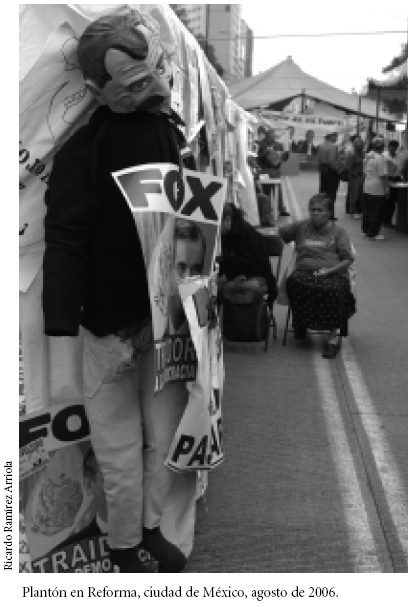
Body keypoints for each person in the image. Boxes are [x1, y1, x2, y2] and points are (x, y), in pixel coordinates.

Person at [42, 9, 195, 573]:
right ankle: (125, 543)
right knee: (120, 445)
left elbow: (189, 218)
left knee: (159, 437)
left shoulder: (167, 134)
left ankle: (146, 530)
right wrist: (62, 317)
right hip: (109, 325)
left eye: (147, 75)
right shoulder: (86, 150)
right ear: (95, 89)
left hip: (161, 320)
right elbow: (66, 236)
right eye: (129, 83)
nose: (145, 88)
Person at [278, 193, 355, 359]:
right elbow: (280, 234)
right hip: (305, 272)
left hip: (333, 273)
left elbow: (348, 259)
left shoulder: (338, 231)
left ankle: (333, 338)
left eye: (320, 210)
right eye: (312, 210)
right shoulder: (301, 226)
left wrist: (330, 271)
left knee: (334, 290)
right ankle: (301, 323)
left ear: (329, 212)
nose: (315, 213)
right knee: (294, 281)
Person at [218, 203, 277, 305]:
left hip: (257, 276)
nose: (217, 228)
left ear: (227, 220)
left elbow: (244, 261)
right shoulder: (227, 232)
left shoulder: (243, 231)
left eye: (218, 224)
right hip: (240, 275)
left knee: (226, 288)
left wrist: (225, 277)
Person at [168, 219, 206, 334]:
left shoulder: (205, 327)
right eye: (181, 268)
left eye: (196, 270)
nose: (188, 278)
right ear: (167, 269)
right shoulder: (150, 326)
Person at [256, 130, 290, 217]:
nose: (272, 137)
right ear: (266, 136)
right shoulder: (262, 145)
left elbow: (285, 158)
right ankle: (267, 210)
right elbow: (258, 158)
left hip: (275, 170)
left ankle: (281, 209)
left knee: (278, 191)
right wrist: (265, 153)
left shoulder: (279, 145)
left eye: (273, 136)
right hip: (265, 170)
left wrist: (284, 155)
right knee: (266, 191)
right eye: (270, 136)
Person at [362, 137, 389, 240]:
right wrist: (386, 189)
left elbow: (364, 172)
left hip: (367, 186)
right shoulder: (380, 158)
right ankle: (373, 233)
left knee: (368, 211)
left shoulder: (368, 156)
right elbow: (383, 176)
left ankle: (366, 230)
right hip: (377, 188)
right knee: (376, 211)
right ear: (382, 147)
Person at [317, 130, 340, 220]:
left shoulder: (321, 145)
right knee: (331, 193)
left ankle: (321, 212)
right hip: (331, 171)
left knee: (323, 192)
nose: (336, 138)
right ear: (331, 136)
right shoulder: (333, 146)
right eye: (335, 136)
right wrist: (337, 169)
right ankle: (329, 215)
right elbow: (331, 160)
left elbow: (318, 158)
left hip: (323, 169)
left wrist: (320, 168)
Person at [382, 140, 403, 228]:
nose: (393, 149)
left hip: (396, 179)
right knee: (387, 202)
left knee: (393, 201)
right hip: (387, 179)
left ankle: (388, 220)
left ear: (396, 148)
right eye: (391, 147)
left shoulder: (400, 156)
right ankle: (385, 220)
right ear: (388, 147)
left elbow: (400, 169)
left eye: (394, 147)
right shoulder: (384, 156)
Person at [344, 135, 364, 218]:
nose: (360, 145)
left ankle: (359, 211)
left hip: (361, 176)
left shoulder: (362, 153)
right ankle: (352, 211)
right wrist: (353, 173)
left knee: (360, 195)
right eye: (358, 144)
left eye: (361, 143)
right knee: (354, 195)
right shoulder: (351, 154)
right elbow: (347, 167)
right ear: (355, 145)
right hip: (354, 176)